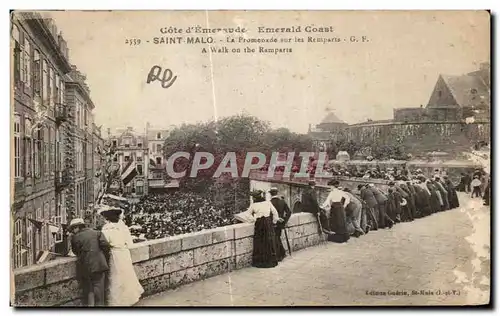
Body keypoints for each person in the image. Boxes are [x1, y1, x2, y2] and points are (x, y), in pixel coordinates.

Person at [99, 206, 144, 306]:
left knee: (115, 277)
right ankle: (130, 298)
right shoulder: (123, 227)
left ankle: (117, 301)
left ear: (107, 219)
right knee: (126, 274)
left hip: (114, 254)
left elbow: (104, 243)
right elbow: (130, 243)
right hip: (124, 253)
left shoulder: (106, 229)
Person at [69, 218, 110, 307]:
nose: (72, 231)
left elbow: (76, 252)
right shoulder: (97, 233)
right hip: (99, 265)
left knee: (89, 292)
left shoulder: (75, 238)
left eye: (73, 229)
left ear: (77, 227)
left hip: (85, 268)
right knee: (99, 291)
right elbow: (106, 246)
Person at [245, 190, 283, 268]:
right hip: (268, 223)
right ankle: (270, 261)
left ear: (254, 198)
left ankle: (260, 261)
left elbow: (247, 215)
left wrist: (254, 219)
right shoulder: (268, 202)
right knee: (269, 241)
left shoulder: (253, 205)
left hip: (259, 224)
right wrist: (274, 221)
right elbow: (275, 212)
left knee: (260, 241)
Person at [269, 187, 291, 261]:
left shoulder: (269, 203)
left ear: (270, 194)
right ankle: (282, 254)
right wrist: (284, 221)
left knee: (275, 238)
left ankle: (279, 255)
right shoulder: (282, 201)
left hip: (273, 224)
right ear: (277, 193)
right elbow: (289, 212)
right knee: (277, 237)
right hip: (280, 223)